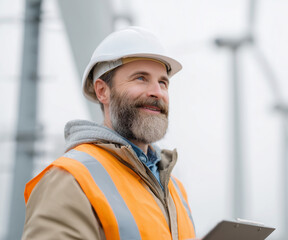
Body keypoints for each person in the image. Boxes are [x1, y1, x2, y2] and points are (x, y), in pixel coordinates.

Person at [22, 27, 196, 240]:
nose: (157, 92)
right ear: (102, 91)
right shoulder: (69, 178)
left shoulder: (175, 190)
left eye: (163, 82)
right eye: (141, 78)